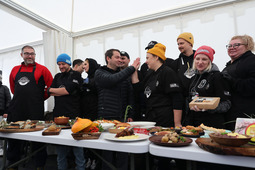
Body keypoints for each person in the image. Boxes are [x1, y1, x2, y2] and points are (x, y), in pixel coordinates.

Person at [132, 43, 183, 170]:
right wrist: (134, 71)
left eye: (148, 57)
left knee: (164, 154)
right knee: (153, 152)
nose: (146, 61)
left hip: (164, 118)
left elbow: (177, 98)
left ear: (156, 57)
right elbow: (139, 89)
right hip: (151, 118)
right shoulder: (150, 73)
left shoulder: (167, 72)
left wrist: (177, 123)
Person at [7, 45, 53, 169]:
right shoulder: (14, 69)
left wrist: (39, 99)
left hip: (35, 110)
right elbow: (13, 89)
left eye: (32, 54)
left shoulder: (42, 69)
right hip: (17, 109)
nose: (30, 56)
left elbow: (50, 87)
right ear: (21, 55)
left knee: (37, 138)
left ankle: (39, 165)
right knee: (13, 139)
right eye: (27, 53)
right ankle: (12, 164)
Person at [94, 49, 140, 170]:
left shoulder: (124, 75)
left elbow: (130, 96)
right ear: (108, 59)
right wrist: (131, 68)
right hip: (106, 119)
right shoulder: (100, 72)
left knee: (123, 152)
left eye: (121, 58)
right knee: (107, 153)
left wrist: (130, 113)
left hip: (122, 119)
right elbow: (111, 80)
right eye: (117, 57)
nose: (120, 60)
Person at [48, 53, 85, 170]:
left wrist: (54, 90)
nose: (61, 66)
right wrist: (56, 90)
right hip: (58, 117)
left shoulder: (76, 75)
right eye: (59, 64)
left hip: (74, 117)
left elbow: (67, 91)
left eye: (63, 64)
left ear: (69, 63)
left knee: (78, 149)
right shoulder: (57, 76)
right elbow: (50, 92)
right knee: (61, 151)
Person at [188, 45, 231, 128]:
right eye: (197, 59)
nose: (200, 62)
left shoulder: (217, 76)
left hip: (213, 125)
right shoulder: (194, 77)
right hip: (196, 123)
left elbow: (226, 104)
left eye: (204, 59)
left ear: (210, 61)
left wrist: (208, 108)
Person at [222, 35, 255, 130]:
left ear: (247, 46)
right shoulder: (230, 65)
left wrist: (232, 81)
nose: (232, 48)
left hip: (246, 115)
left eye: (236, 45)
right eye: (229, 46)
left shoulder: (251, 60)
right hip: (231, 114)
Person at [170, 32, 196, 125]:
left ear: (190, 43)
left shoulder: (200, 59)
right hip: (183, 103)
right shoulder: (175, 63)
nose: (179, 46)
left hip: (199, 101)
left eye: (182, 43)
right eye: (178, 44)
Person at [0, 70, 11, 156]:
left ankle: (2, 149)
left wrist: (7, 112)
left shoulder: (4, 88)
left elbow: (8, 100)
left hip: (2, 114)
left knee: (2, 132)